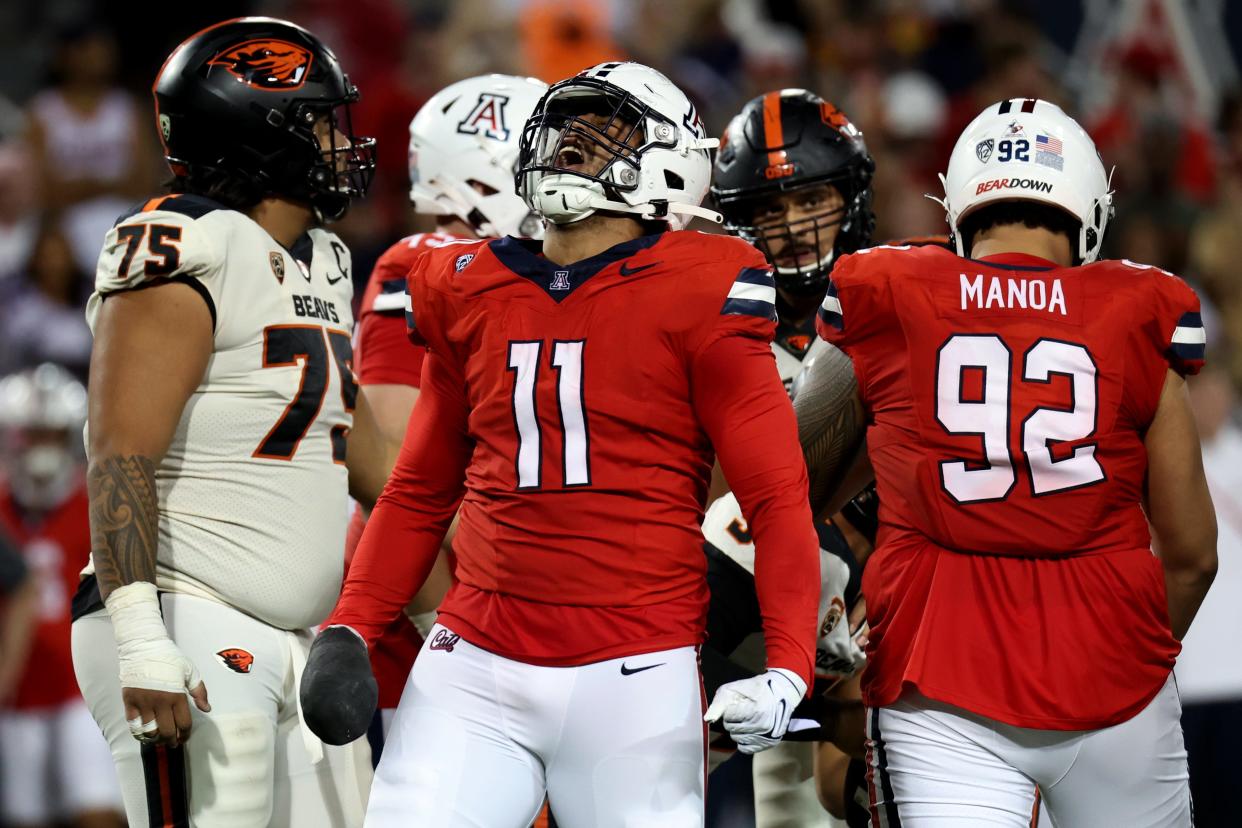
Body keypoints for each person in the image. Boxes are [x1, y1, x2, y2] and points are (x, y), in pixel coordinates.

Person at [303, 61, 821, 827]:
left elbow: (776, 499)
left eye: (604, 129)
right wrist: (354, 621)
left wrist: (787, 668)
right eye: (564, 125)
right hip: (474, 657)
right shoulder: (464, 283)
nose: (571, 144)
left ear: (672, 161)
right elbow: (418, 489)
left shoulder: (704, 282)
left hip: (633, 666)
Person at [795, 97, 1217, 826]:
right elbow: (1193, 557)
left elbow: (787, 485)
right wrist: (1128, 655)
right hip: (1115, 683)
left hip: (940, 677)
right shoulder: (1135, 307)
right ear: (1085, 203)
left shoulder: (892, 291)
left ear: (961, 203)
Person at [69, 17, 392, 827]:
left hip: (299, 636)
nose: (336, 142)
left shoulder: (325, 257)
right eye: (316, 122)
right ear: (258, 134)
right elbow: (118, 454)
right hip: (187, 610)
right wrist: (142, 637)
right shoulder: (183, 244)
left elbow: (347, 444)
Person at [342, 72, 547, 742]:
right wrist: (455, 623)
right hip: (444, 610)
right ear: (490, 177)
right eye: (548, 156)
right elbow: (398, 468)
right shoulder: (425, 266)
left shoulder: (533, 272)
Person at [701, 88, 875, 827]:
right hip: (769, 621)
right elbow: (706, 507)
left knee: (850, 796)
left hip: (895, 608)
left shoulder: (894, 306)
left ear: (851, 197)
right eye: (768, 211)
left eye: (811, 200)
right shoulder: (718, 327)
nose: (793, 226)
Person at [0, 364, 124, 828]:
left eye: (51, 437)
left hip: (82, 690)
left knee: (96, 809)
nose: (40, 451)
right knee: (22, 816)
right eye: (31, 437)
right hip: (16, 693)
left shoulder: (95, 506)